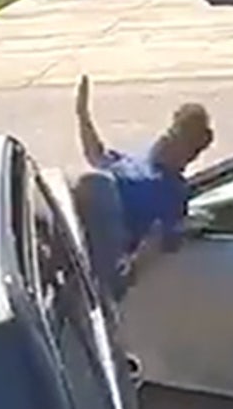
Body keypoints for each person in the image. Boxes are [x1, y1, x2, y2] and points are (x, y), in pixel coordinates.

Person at [68, 74, 215, 309]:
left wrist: (126, 275)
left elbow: (155, 243)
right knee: (91, 180)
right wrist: (83, 116)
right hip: (76, 219)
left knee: (96, 183)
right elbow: (96, 155)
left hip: (103, 240)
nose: (165, 137)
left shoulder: (172, 191)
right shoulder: (140, 159)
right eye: (170, 130)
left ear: (187, 153)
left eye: (174, 136)